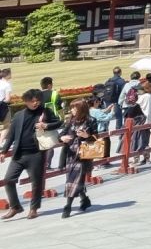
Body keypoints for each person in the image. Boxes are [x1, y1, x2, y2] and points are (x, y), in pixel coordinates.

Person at [2, 89, 62, 219]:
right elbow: (11, 135)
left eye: (38, 100)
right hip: (18, 154)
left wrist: (46, 125)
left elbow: (59, 122)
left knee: (36, 182)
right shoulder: (18, 115)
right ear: (26, 101)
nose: (35, 103)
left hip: (36, 153)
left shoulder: (45, 112)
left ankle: (34, 209)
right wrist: (3, 151)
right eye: (32, 101)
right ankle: (15, 207)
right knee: (8, 180)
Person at [57, 99, 103, 219]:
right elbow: (60, 135)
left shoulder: (91, 120)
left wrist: (87, 136)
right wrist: (62, 138)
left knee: (72, 180)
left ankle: (67, 206)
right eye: (71, 108)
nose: (71, 110)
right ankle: (85, 199)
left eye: (74, 108)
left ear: (81, 109)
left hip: (84, 155)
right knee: (75, 180)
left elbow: (96, 137)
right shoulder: (71, 121)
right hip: (71, 154)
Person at [0, 67, 11, 134]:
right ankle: (1, 142)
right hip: (2, 106)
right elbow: (7, 99)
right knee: (6, 126)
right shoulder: (6, 84)